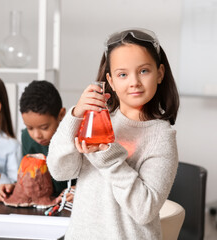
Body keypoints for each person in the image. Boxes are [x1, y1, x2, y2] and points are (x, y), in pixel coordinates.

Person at [46, 28, 180, 239]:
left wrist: (109, 158)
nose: (134, 81)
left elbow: (144, 209)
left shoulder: (161, 136)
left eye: (144, 71)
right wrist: (76, 115)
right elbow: (60, 171)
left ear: (160, 73)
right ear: (111, 81)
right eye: (123, 74)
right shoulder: (96, 120)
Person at [0, 80, 76, 203]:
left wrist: (79, 189)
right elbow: (30, 176)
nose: (37, 135)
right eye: (30, 128)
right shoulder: (27, 138)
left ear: (61, 115)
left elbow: (97, 178)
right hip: (45, 206)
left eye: (44, 128)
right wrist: (15, 188)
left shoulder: (75, 139)